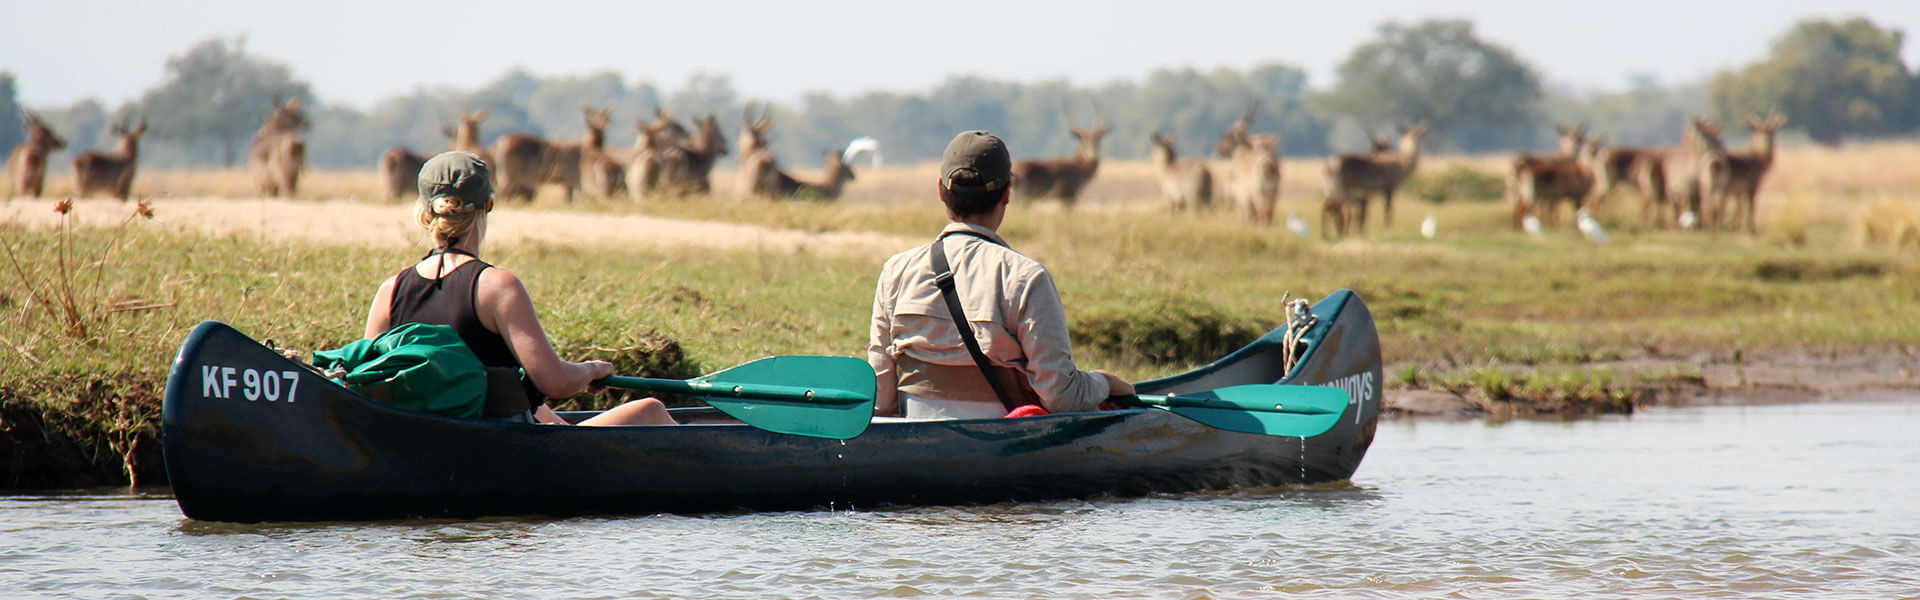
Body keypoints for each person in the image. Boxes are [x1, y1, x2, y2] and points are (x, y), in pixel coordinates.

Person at [361, 151, 674, 426]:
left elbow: (367, 384)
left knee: (546, 414)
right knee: (651, 409)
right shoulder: (497, 287)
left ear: (424, 212)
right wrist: (592, 369)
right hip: (503, 448)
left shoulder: (390, 291)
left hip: (427, 441)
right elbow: (556, 383)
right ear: (489, 204)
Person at [866, 131, 1134, 419]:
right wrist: (1103, 383)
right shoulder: (1028, 276)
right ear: (1007, 193)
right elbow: (1061, 398)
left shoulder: (896, 270)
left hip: (916, 441)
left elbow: (881, 396)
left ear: (941, 191)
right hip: (1005, 445)